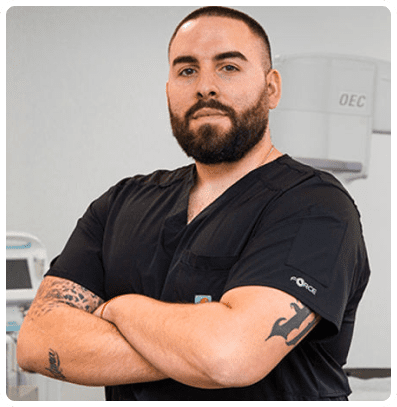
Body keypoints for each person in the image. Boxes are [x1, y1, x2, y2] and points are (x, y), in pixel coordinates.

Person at [17, 6, 370, 401]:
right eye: (187, 70)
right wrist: (199, 345)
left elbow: (230, 356)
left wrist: (120, 310)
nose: (205, 86)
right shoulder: (120, 204)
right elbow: (34, 341)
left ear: (272, 88)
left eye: (229, 68)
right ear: (169, 89)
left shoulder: (316, 207)